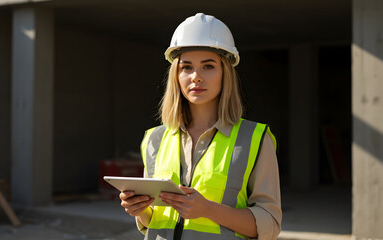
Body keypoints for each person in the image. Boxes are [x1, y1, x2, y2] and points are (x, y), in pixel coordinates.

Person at [119, 13, 281, 240]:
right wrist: (140, 209)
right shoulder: (154, 139)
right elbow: (154, 221)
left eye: (208, 66)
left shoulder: (254, 138)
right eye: (186, 67)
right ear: (176, 75)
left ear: (225, 73)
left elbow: (270, 227)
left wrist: (207, 209)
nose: (196, 77)